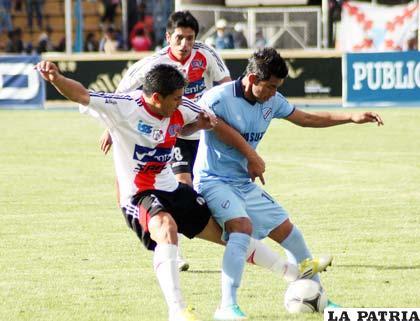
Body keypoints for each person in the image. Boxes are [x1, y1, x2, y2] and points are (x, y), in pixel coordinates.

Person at [35, 61, 329, 321]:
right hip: (139, 194)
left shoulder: (182, 106)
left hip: (172, 189)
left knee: (231, 234)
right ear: (155, 97)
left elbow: (198, 124)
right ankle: (177, 310)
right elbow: (82, 94)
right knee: (166, 227)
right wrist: (56, 79)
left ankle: (292, 274)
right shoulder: (124, 106)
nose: (181, 103)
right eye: (175, 99)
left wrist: (201, 127)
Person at [193, 47, 384, 319]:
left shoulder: (273, 100)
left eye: (277, 88)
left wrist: (349, 117)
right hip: (213, 180)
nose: (273, 93)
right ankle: (226, 307)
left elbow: (305, 119)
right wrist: (251, 154)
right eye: (270, 87)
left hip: (242, 183)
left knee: (289, 232)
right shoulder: (218, 97)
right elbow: (213, 126)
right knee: (241, 228)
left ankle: (319, 297)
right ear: (251, 78)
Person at [100, 10, 233, 271]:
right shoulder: (153, 63)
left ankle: (236, 233)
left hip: (203, 131)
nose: (185, 45)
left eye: (190, 38)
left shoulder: (206, 54)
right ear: (168, 37)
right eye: (179, 38)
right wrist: (110, 128)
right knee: (183, 181)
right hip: (174, 130)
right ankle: (174, 250)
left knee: (211, 186)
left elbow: (226, 84)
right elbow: (120, 93)